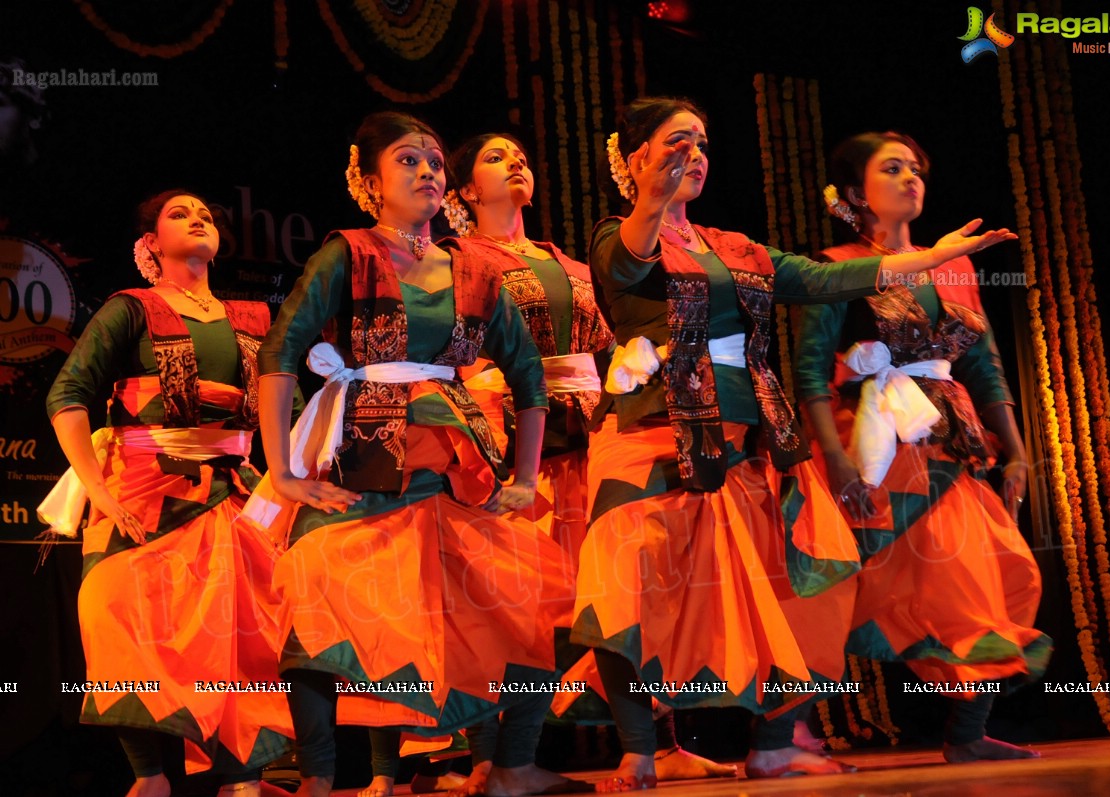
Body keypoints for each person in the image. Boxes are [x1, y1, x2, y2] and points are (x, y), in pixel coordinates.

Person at [579, 96, 1018, 790]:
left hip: (743, 440)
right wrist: (651, 198)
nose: (692, 154)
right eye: (673, 143)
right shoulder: (619, 233)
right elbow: (624, 272)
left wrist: (928, 259)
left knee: (801, 586)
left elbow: (818, 279)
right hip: (648, 430)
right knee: (626, 591)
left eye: (699, 142)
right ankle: (637, 748)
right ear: (633, 159)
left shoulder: (735, 247)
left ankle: (774, 737)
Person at [247, 111, 583, 797]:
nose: (428, 170)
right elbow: (282, 350)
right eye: (407, 160)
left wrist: (523, 474)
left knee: (534, 602)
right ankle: (317, 777)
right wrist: (281, 469)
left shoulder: (478, 268)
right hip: (363, 457)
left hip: (457, 461)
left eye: (433, 159)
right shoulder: (348, 254)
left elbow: (525, 375)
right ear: (368, 183)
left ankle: (512, 765)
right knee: (311, 602)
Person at [796, 131, 1051, 761]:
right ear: (857, 192)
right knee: (833, 588)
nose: (911, 178)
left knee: (987, 574)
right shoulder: (834, 265)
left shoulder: (956, 265)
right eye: (893, 169)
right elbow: (809, 372)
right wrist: (835, 460)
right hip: (871, 448)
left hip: (948, 445)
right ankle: (780, 734)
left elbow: (984, 365)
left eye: (916, 169)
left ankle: (967, 734)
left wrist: (1017, 451)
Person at [40, 190, 292, 797]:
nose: (198, 218)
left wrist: (292, 478)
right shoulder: (134, 309)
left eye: (205, 213)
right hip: (138, 487)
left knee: (236, 634)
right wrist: (96, 487)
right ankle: (149, 778)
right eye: (180, 214)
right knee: (115, 615)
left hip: (230, 490)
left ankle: (244, 779)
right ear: (149, 242)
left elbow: (291, 411)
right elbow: (67, 393)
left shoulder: (253, 319)